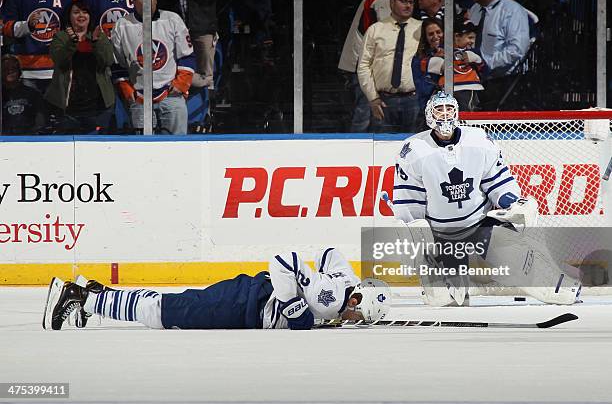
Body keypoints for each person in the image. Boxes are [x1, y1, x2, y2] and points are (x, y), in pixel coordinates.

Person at [391, 91, 582, 306]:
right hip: (441, 234)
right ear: (429, 115)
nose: (444, 115)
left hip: (479, 223)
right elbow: (409, 199)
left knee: (519, 261)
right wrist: (414, 231)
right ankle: (445, 285)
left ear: (457, 113)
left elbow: (497, 180)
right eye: (439, 110)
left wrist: (511, 202)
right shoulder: (414, 150)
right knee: (447, 302)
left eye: (449, 109)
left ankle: (558, 285)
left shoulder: (479, 140)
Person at [42, 248, 392, 331]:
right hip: (243, 304)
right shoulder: (331, 302)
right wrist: (293, 307)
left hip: (247, 295)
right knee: (162, 313)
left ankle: (98, 295)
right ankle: (81, 297)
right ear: (357, 299)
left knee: (174, 304)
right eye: (358, 314)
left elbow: (330, 254)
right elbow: (285, 261)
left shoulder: (346, 281)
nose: (353, 319)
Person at [337, 0, 429, 132]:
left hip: (362, 62)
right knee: (366, 114)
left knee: (367, 115)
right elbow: (390, 38)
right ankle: (356, 152)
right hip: (366, 65)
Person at [111, 0, 195, 135]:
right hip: (140, 98)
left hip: (171, 96)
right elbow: (117, 64)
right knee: (144, 151)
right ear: (133, 1)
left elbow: (187, 56)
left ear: (156, 0)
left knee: (177, 147)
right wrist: (128, 91)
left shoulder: (172, 20)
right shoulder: (122, 25)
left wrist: (180, 85)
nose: (146, 1)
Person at [44, 0, 116, 134]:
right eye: (76, 12)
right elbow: (60, 60)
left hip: (97, 106)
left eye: (85, 12)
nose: (81, 15)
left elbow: (107, 60)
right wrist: (73, 42)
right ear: (69, 17)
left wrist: (95, 42)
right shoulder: (60, 37)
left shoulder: (99, 36)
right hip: (68, 107)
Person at [356, 0, 422, 133]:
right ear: (392, 3)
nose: (408, 5)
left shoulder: (421, 28)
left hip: (414, 100)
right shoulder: (376, 29)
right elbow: (364, 65)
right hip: (384, 100)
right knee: (382, 146)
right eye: (403, 1)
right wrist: (373, 98)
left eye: (411, 2)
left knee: (414, 146)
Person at [463, 0, 529, 110]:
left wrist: (485, 63)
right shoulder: (474, 9)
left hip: (501, 84)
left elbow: (517, 50)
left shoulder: (513, 11)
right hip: (473, 81)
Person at [2, 0, 74, 94]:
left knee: (58, 113)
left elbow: (72, 24)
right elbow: (6, 28)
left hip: (57, 68)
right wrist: (27, 26)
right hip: (27, 70)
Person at [425, 18, 485, 111]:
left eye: (474, 38)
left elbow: (485, 70)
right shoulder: (441, 51)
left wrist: (477, 59)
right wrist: (437, 61)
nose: (472, 41)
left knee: (466, 116)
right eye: (470, 37)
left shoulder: (474, 52)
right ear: (457, 37)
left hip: (469, 89)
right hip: (446, 90)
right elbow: (426, 67)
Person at [1, 54, 46, 134]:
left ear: (19, 71)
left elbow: (40, 122)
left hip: (27, 140)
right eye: (5, 69)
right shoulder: (1, 93)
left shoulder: (33, 93)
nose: (9, 71)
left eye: (13, 69)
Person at [411, 17, 443, 112]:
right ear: (425, 37)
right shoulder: (418, 59)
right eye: (430, 34)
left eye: (438, 32)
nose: (435, 36)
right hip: (428, 108)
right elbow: (422, 88)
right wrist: (434, 62)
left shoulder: (455, 52)